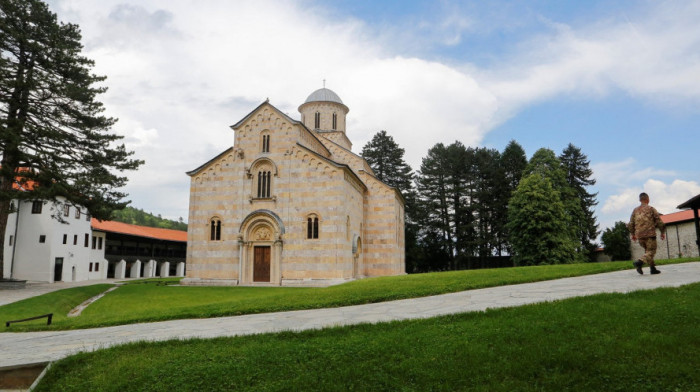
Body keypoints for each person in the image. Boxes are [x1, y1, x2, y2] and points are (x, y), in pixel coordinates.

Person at [627, 192, 666, 275]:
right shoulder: (651, 209)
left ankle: (652, 269)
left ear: (640, 200)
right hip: (650, 234)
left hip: (639, 236)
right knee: (651, 251)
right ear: (648, 199)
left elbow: (631, 223)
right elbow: (659, 221)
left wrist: (633, 234)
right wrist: (662, 232)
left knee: (647, 251)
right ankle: (639, 262)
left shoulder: (635, 210)